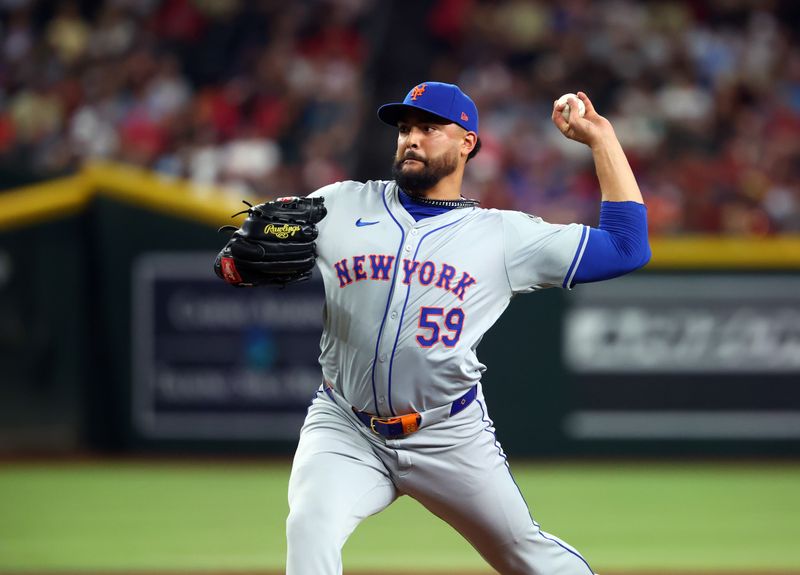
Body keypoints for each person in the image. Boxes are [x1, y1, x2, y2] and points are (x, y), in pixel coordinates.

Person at [285, 81, 650, 575]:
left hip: (448, 433)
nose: (411, 138)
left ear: (467, 143)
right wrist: (233, 267)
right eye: (405, 128)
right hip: (346, 425)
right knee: (310, 524)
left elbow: (629, 248)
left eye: (430, 128)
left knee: (527, 556)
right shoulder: (340, 204)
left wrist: (602, 140)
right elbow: (252, 248)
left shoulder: (502, 237)